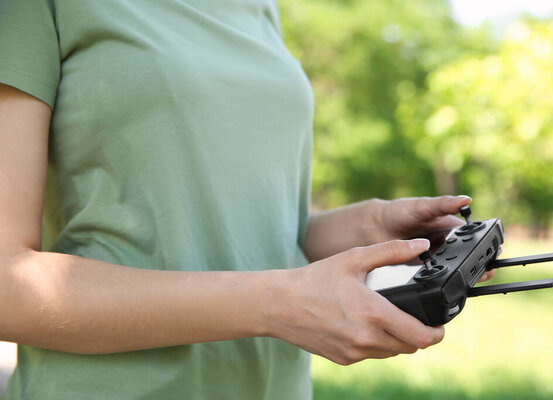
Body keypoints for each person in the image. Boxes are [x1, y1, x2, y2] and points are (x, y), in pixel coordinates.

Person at [0, 1, 493, 399]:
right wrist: (278, 303)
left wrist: (370, 226)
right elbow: (7, 283)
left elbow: (243, 229)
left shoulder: (259, 8)